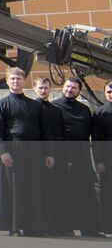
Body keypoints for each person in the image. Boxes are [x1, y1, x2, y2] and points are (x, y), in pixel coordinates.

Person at [0, 67, 54, 237]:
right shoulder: (1, 105)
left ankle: (34, 226)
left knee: (34, 188)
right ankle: (15, 225)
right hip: (13, 150)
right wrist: (3, 152)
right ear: (7, 81)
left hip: (34, 152)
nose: (16, 82)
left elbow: (45, 131)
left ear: (24, 80)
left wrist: (48, 153)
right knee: (15, 189)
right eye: (12, 79)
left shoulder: (35, 105)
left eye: (18, 79)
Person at [51, 76, 102, 237]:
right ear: (62, 88)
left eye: (74, 88)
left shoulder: (84, 109)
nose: (69, 90)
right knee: (66, 195)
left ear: (79, 91)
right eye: (68, 87)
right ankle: (66, 228)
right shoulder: (53, 108)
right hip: (63, 157)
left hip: (82, 157)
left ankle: (90, 229)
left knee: (86, 194)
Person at [33, 76, 69, 234]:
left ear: (50, 89)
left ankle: (58, 226)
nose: (43, 91)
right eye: (40, 88)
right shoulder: (31, 107)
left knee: (57, 192)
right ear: (34, 89)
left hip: (56, 154)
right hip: (37, 154)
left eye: (46, 88)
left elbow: (61, 134)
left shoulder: (56, 110)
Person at [94, 81, 112, 232]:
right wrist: (98, 161)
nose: (111, 94)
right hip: (107, 157)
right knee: (107, 193)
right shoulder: (99, 112)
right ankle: (107, 226)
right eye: (109, 92)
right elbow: (96, 139)